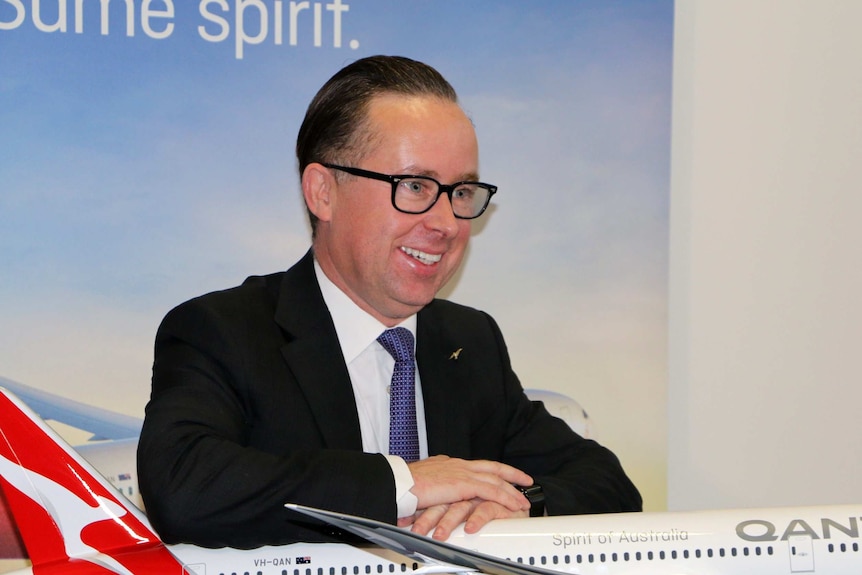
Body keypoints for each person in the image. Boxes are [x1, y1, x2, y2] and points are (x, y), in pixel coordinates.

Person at [137, 55, 641, 550]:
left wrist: (517, 500)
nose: (446, 223)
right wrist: (403, 484)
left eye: (461, 191)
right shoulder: (224, 331)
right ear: (323, 192)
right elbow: (183, 487)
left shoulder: (468, 342)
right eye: (416, 186)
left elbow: (608, 485)